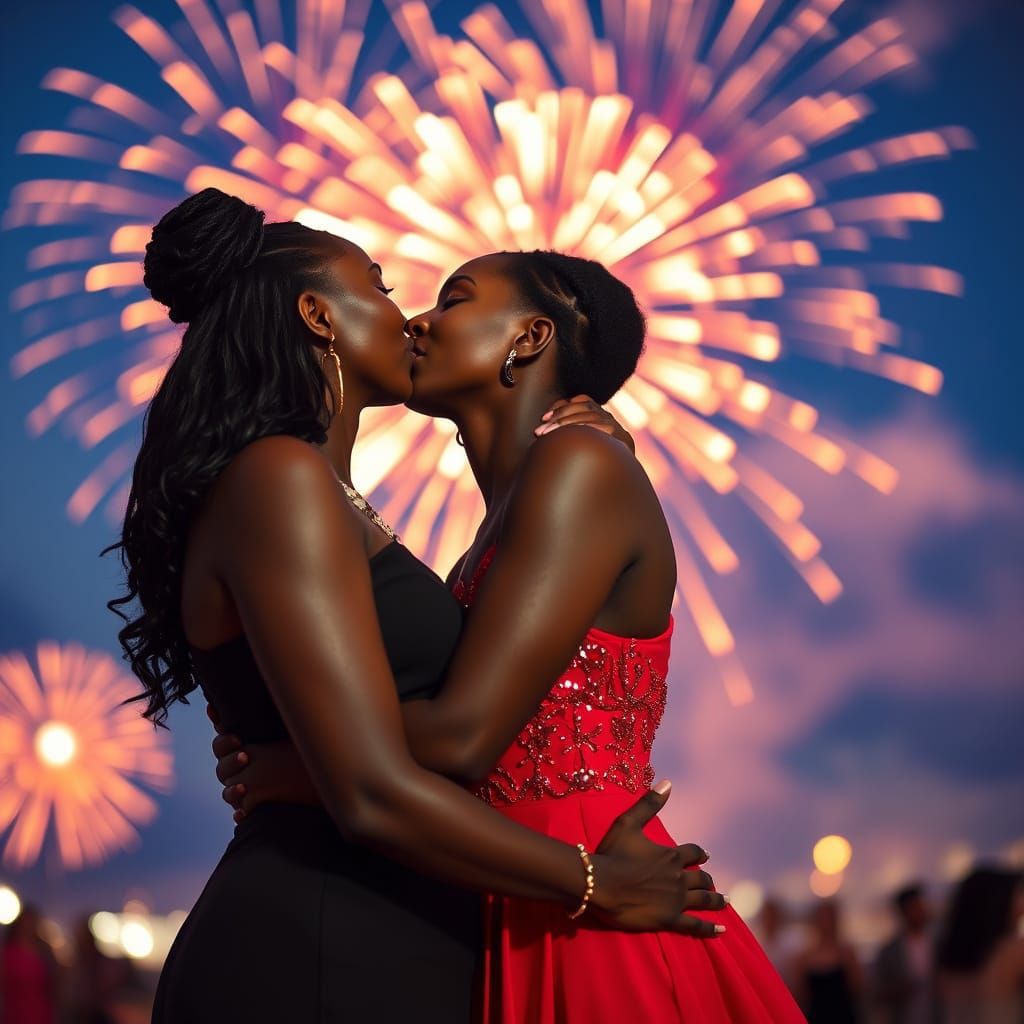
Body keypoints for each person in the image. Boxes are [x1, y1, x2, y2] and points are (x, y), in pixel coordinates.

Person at [108, 188, 724, 1023]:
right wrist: (593, 881)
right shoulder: (282, 479)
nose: (408, 315)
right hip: (322, 940)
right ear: (321, 318)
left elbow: (395, 745)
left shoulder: (323, 494)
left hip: (392, 929)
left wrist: (289, 767)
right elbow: (376, 785)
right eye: (382, 286)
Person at [213, 246, 807, 1021]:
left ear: (528, 340)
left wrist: (297, 767)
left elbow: (462, 736)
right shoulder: (501, 527)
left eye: (453, 300)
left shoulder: (578, 469)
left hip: (597, 897)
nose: (417, 322)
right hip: (530, 887)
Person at [935, 866, 1024, 1024]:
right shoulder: (1012, 952)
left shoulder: (947, 955)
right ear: (999, 901)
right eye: (1019, 894)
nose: (1022, 904)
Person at [791, 898, 863, 1024]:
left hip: (844, 1015)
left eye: (829, 919)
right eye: (822, 919)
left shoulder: (847, 953)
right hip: (816, 1016)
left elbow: (857, 988)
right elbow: (799, 995)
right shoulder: (804, 957)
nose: (825, 924)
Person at [872, 883, 935, 1024]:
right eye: (916, 907)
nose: (921, 911)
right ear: (904, 912)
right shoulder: (889, 951)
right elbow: (878, 992)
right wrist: (901, 990)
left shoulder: (938, 944)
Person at [0, 904, 57, 1024]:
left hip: (40, 1011)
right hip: (15, 1011)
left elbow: (52, 984)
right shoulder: (8, 953)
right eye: (26, 922)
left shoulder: (43, 951)